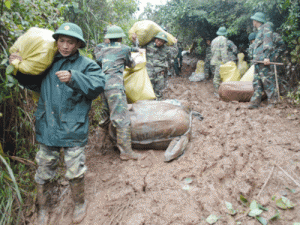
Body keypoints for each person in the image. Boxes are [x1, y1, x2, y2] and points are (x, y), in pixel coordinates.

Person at [9, 23, 106, 224]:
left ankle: (79, 203)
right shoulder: (47, 63)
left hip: (73, 128)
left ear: (78, 44)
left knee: (75, 171)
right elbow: (33, 82)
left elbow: (97, 85)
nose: (64, 46)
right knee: (43, 171)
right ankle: (43, 208)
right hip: (48, 126)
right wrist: (17, 69)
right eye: (61, 41)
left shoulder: (87, 65)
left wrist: (74, 77)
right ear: (56, 42)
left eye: (70, 42)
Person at [94, 25, 142, 161]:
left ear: (108, 38)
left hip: (102, 87)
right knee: (122, 119)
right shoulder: (124, 49)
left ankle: (98, 149)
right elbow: (131, 64)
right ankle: (126, 152)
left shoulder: (101, 50)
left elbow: (98, 61)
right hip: (115, 88)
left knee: (104, 119)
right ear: (120, 37)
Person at [248, 12, 276, 109]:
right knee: (257, 82)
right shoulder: (259, 31)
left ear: (256, 21)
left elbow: (268, 43)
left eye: (253, 20)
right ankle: (255, 102)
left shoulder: (266, 27)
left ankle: (273, 102)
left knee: (267, 81)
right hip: (258, 61)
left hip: (263, 60)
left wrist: (267, 57)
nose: (253, 22)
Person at [138, 32, 173, 99]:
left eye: (162, 41)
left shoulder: (166, 49)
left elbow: (169, 60)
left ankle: (158, 105)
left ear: (164, 43)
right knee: (148, 90)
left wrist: (166, 71)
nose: (159, 42)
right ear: (155, 39)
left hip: (160, 74)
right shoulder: (148, 46)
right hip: (149, 73)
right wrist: (135, 41)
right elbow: (138, 49)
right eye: (158, 40)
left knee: (159, 91)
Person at [210, 26, 230, 95]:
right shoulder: (224, 39)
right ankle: (217, 92)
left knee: (215, 76)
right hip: (219, 61)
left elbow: (212, 51)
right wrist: (226, 62)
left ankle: (217, 90)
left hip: (213, 61)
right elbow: (223, 52)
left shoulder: (213, 40)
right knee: (217, 77)